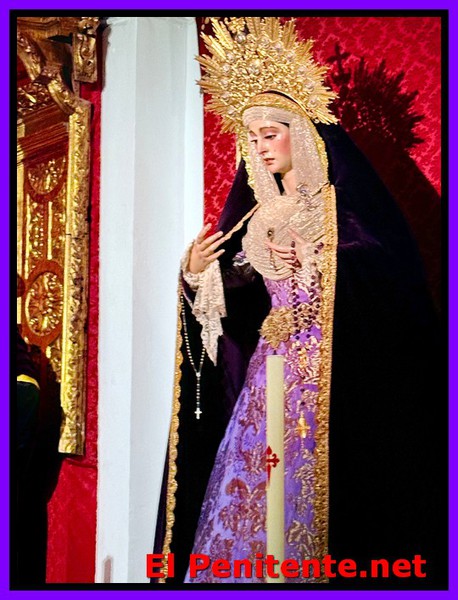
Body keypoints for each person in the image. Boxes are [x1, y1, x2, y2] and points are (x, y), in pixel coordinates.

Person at [154, 17, 445, 587]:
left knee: (316, 503)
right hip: (267, 376)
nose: (260, 148)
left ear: (303, 133)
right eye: (252, 138)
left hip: (332, 378)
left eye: (271, 133)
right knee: (252, 495)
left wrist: (321, 260)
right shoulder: (254, 219)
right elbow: (236, 306)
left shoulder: (342, 209)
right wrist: (196, 276)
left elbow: (387, 280)